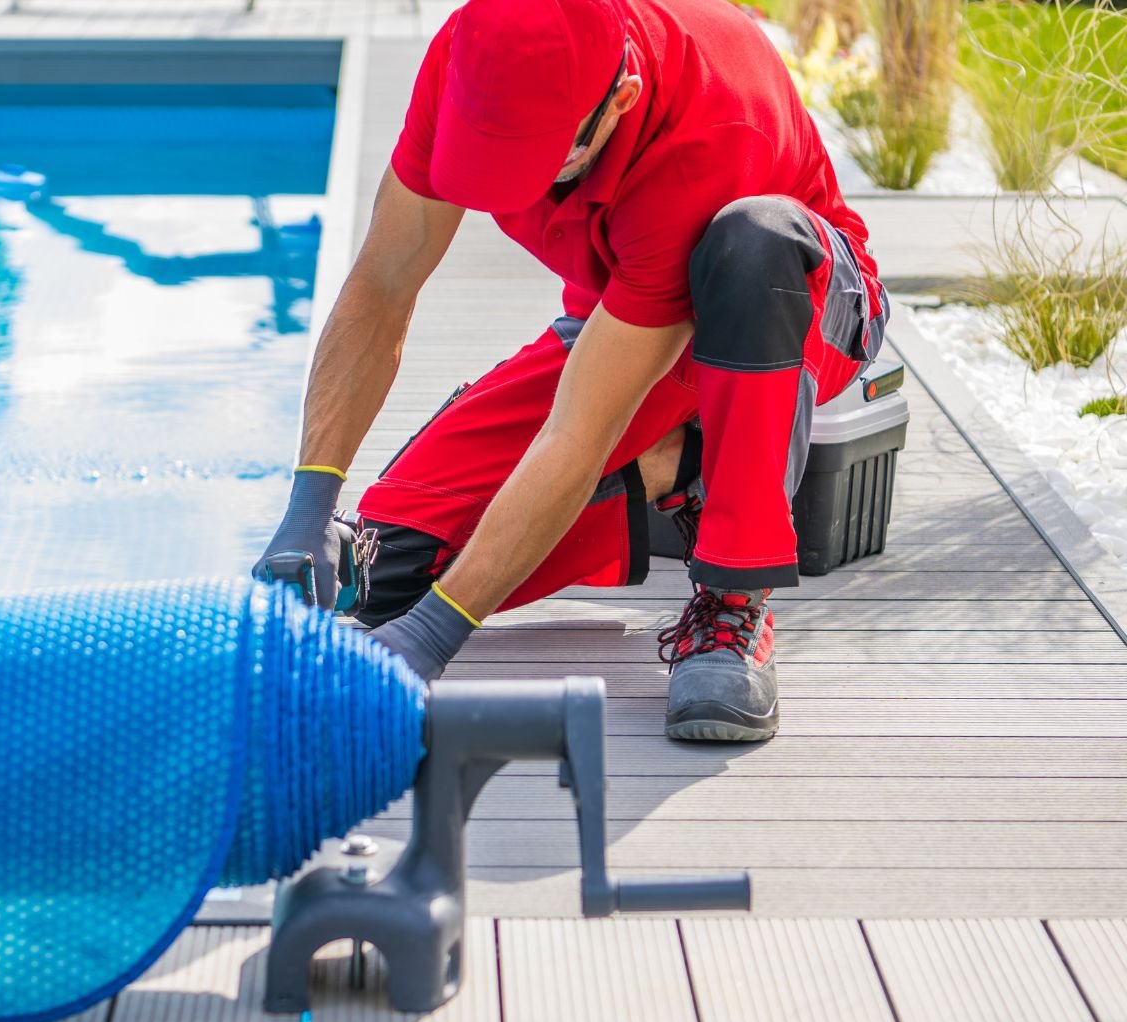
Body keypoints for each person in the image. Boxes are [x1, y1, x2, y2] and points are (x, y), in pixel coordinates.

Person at [251, 0, 889, 742]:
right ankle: (681, 468)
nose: (512, 186)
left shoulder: (709, 126)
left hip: (798, 304)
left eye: (533, 160)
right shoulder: (469, 59)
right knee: (392, 566)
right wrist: (309, 507)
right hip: (621, 319)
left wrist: (432, 642)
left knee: (753, 242)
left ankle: (732, 603)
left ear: (618, 101)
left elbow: (579, 431)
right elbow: (383, 284)